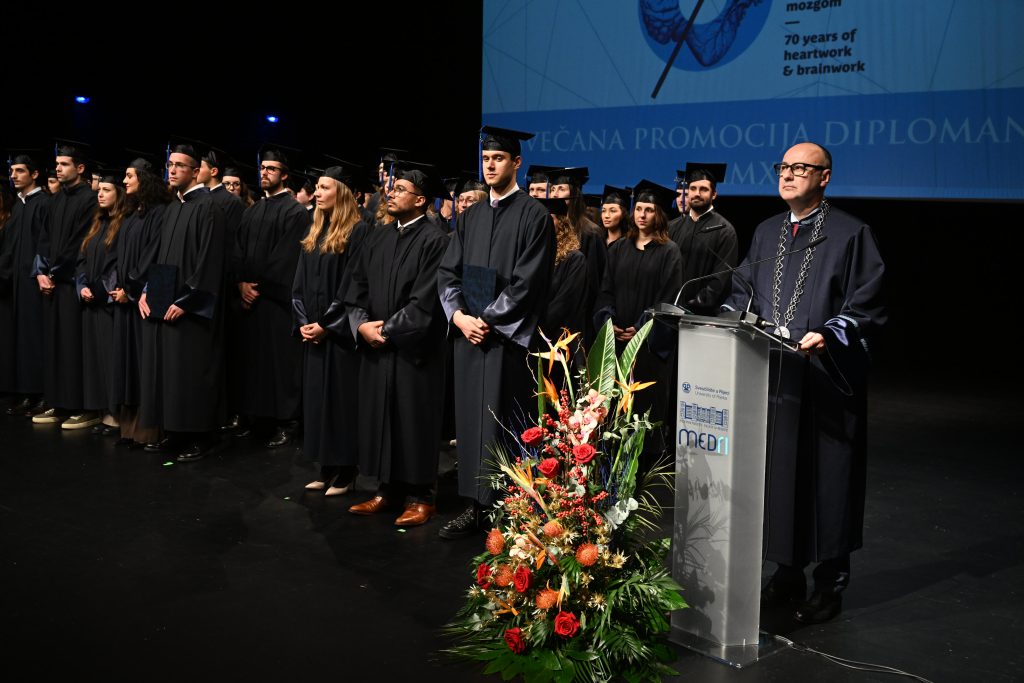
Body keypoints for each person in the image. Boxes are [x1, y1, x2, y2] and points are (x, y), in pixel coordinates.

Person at [721, 142, 886, 624]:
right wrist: (731, 318)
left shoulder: (851, 233)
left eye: (800, 168)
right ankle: (786, 572)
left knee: (829, 481)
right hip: (775, 379)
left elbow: (868, 303)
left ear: (824, 177)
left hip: (825, 379)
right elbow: (742, 290)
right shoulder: (767, 231)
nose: (788, 175)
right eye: (783, 167)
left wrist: (829, 335)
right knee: (780, 477)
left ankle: (830, 583)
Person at [437, 126, 555, 539]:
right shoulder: (470, 216)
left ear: (516, 163)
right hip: (469, 337)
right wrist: (459, 317)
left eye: (499, 158)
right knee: (471, 424)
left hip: (506, 340)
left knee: (503, 423)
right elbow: (448, 273)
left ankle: (508, 512)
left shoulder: (534, 216)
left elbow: (528, 283)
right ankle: (473, 507)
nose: (490, 165)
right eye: (486, 159)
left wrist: (487, 319)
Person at [345, 162, 450, 526]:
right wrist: (361, 326)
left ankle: (422, 496)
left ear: (421, 200)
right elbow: (355, 287)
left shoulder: (436, 241)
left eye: (401, 189)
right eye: (392, 188)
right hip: (377, 347)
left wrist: (386, 331)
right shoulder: (378, 237)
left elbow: (426, 303)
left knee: (413, 420)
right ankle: (387, 490)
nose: (391, 193)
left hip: (413, 352)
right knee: (381, 418)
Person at [137, 142, 227, 462]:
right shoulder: (173, 207)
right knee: (170, 371)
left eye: (180, 166)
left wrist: (189, 301)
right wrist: (149, 291)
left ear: (195, 171)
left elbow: (210, 262)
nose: (172, 170)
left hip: (192, 309)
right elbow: (162, 257)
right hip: (166, 302)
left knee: (192, 371)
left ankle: (201, 436)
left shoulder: (209, 207)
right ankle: (175, 432)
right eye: (170, 164)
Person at [292, 167, 369, 495]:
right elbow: (298, 283)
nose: (317, 193)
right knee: (317, 401)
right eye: (317, 187)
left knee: (340, 402)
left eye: (324, 187)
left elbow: (353, 286)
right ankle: (325, 466)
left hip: (339, 337)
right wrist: (303, 321)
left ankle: (346, 470)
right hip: (314, 333)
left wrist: (326, 325)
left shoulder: (358, 232)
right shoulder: (314, 231)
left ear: (342, 192)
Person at [593, 180, 682, 455]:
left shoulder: (670, 252)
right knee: (614, 412)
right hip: (617, 344)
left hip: (648, 350)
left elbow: (668, 299)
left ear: (659, 215)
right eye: (639, 209)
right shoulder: (619, 248)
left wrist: (641, 329)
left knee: (645, 411)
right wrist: (609, 323)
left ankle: (643, 468)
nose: (642, 215)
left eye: (649, 210)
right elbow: (605, 291)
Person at [231, 146, 311, 447]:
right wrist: (241, 283)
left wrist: (258, 286)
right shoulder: (252, 210)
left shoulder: (295, 212)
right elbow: (237, 250)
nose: (265, 173)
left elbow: (286, 258)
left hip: (275, 302)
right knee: (253, 362)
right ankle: (256, 419)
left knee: (279, 364)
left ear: (284, 175)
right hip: (250, 300)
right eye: (263, 168)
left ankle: (285, 421)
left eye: (272, 169)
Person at [31, 141, 98, 428]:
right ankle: (57, 402)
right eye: (57, 164)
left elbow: (79, 243)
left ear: (80, 168)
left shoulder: (89, 199)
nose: (58, 168)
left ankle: (80, 405)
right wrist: (40, 272)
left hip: (71, 283)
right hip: (52, 283)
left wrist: (55, 273)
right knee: (53, 344)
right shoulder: (55, 199)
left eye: (64, 164)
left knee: (73, 346)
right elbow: (44, 238)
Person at [112, 156, 170, 447]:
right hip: (127, 300)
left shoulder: (160, 213)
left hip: (143, 300)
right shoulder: (134, 214)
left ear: (144, 179)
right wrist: (120, 286)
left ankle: (149, 431)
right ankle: (129, 429)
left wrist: (131, 288)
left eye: (130, 176)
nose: (124, 181)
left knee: (145, 364)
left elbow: (153, 256)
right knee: (129, 366)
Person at [0, 150, 51, 416]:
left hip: (34, 283)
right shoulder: (19, 206)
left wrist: (40, 273)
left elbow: (45, 243)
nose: (14, 175)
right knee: (20, 339)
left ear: (35, 174)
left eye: (20, 171)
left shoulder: (43, 203)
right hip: (15, 284)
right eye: (12, 171)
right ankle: (26, 393)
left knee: (35, 339)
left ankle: (42, 394)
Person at [77, 170, 126, 435]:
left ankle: (114, 413)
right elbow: (82, 259)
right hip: (91, 302)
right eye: (100, 190)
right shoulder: (96, 224)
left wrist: (98, 290)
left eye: (107, 190)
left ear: (119, 194)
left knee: (110, 358)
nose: (100, 194)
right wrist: (82, 286)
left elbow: (118, 265)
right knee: (95, 358)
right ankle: (100, 410)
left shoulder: (123, 224)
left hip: (108, 303)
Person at [668, 164, 738, 314]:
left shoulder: (724, 230)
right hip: (669, 311)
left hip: (703, 316)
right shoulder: (672, 227)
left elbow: (721, 278)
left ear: (714, 194)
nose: (697, 193)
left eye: (704, 189)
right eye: (693, 188)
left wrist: (692, 306)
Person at [535, 197, 587, 339]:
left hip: (560, 335)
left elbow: (565, 301)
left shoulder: (574, 259)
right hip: (531, 334)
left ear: (562, 223)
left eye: (549, 219)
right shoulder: (532, 255)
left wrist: (538, 325)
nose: (543, 223)